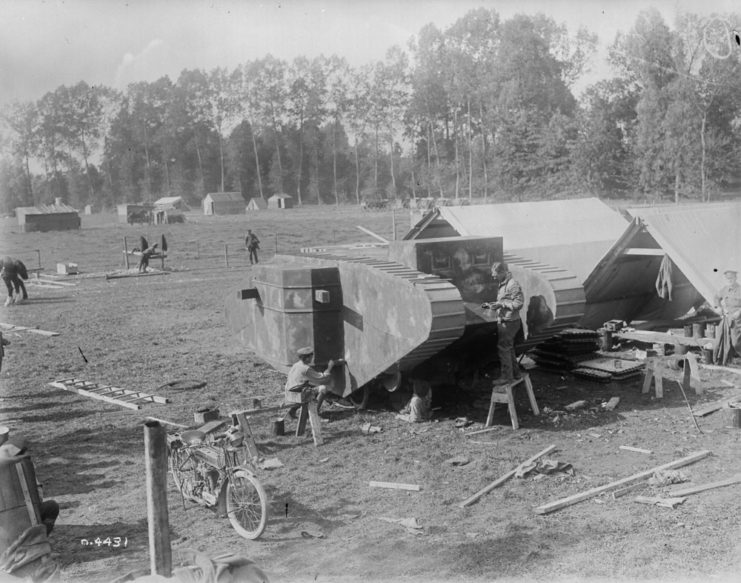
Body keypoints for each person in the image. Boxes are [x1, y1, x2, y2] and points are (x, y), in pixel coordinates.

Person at [482, 261, 524, 385]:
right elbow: (505, 300)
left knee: (503, 349)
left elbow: (519, 303)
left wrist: (501, 304)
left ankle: (506, 377)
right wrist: (493, 305)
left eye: (495, 274)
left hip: (509, 322)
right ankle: (516, 374)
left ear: (502, 272)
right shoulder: (504, 283)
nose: (493, 276)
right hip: (506, 320)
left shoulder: (512, 284)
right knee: (508, 348)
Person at [284, 347, 338, 418]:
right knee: (323, 388)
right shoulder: (306, 368)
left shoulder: (296, 365)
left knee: (311, 387)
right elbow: (322, 378)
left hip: (288, 392)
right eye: (311, 357)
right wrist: (329, 367)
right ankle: (314, 414)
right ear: (307, 358)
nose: (312, 358)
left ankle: (291, 412)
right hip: (297, 395)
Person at [714, 268, 741, 362]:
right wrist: (718, 307)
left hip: (738, 320)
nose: (729, 280)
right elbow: (716, 297)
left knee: (736, 343)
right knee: (721, 340)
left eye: (731, 278)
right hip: (727, 318)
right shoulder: (725, 289)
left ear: (735, 278)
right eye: (727, 279)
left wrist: (739, 311)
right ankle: (725, 360)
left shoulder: (740, 289)